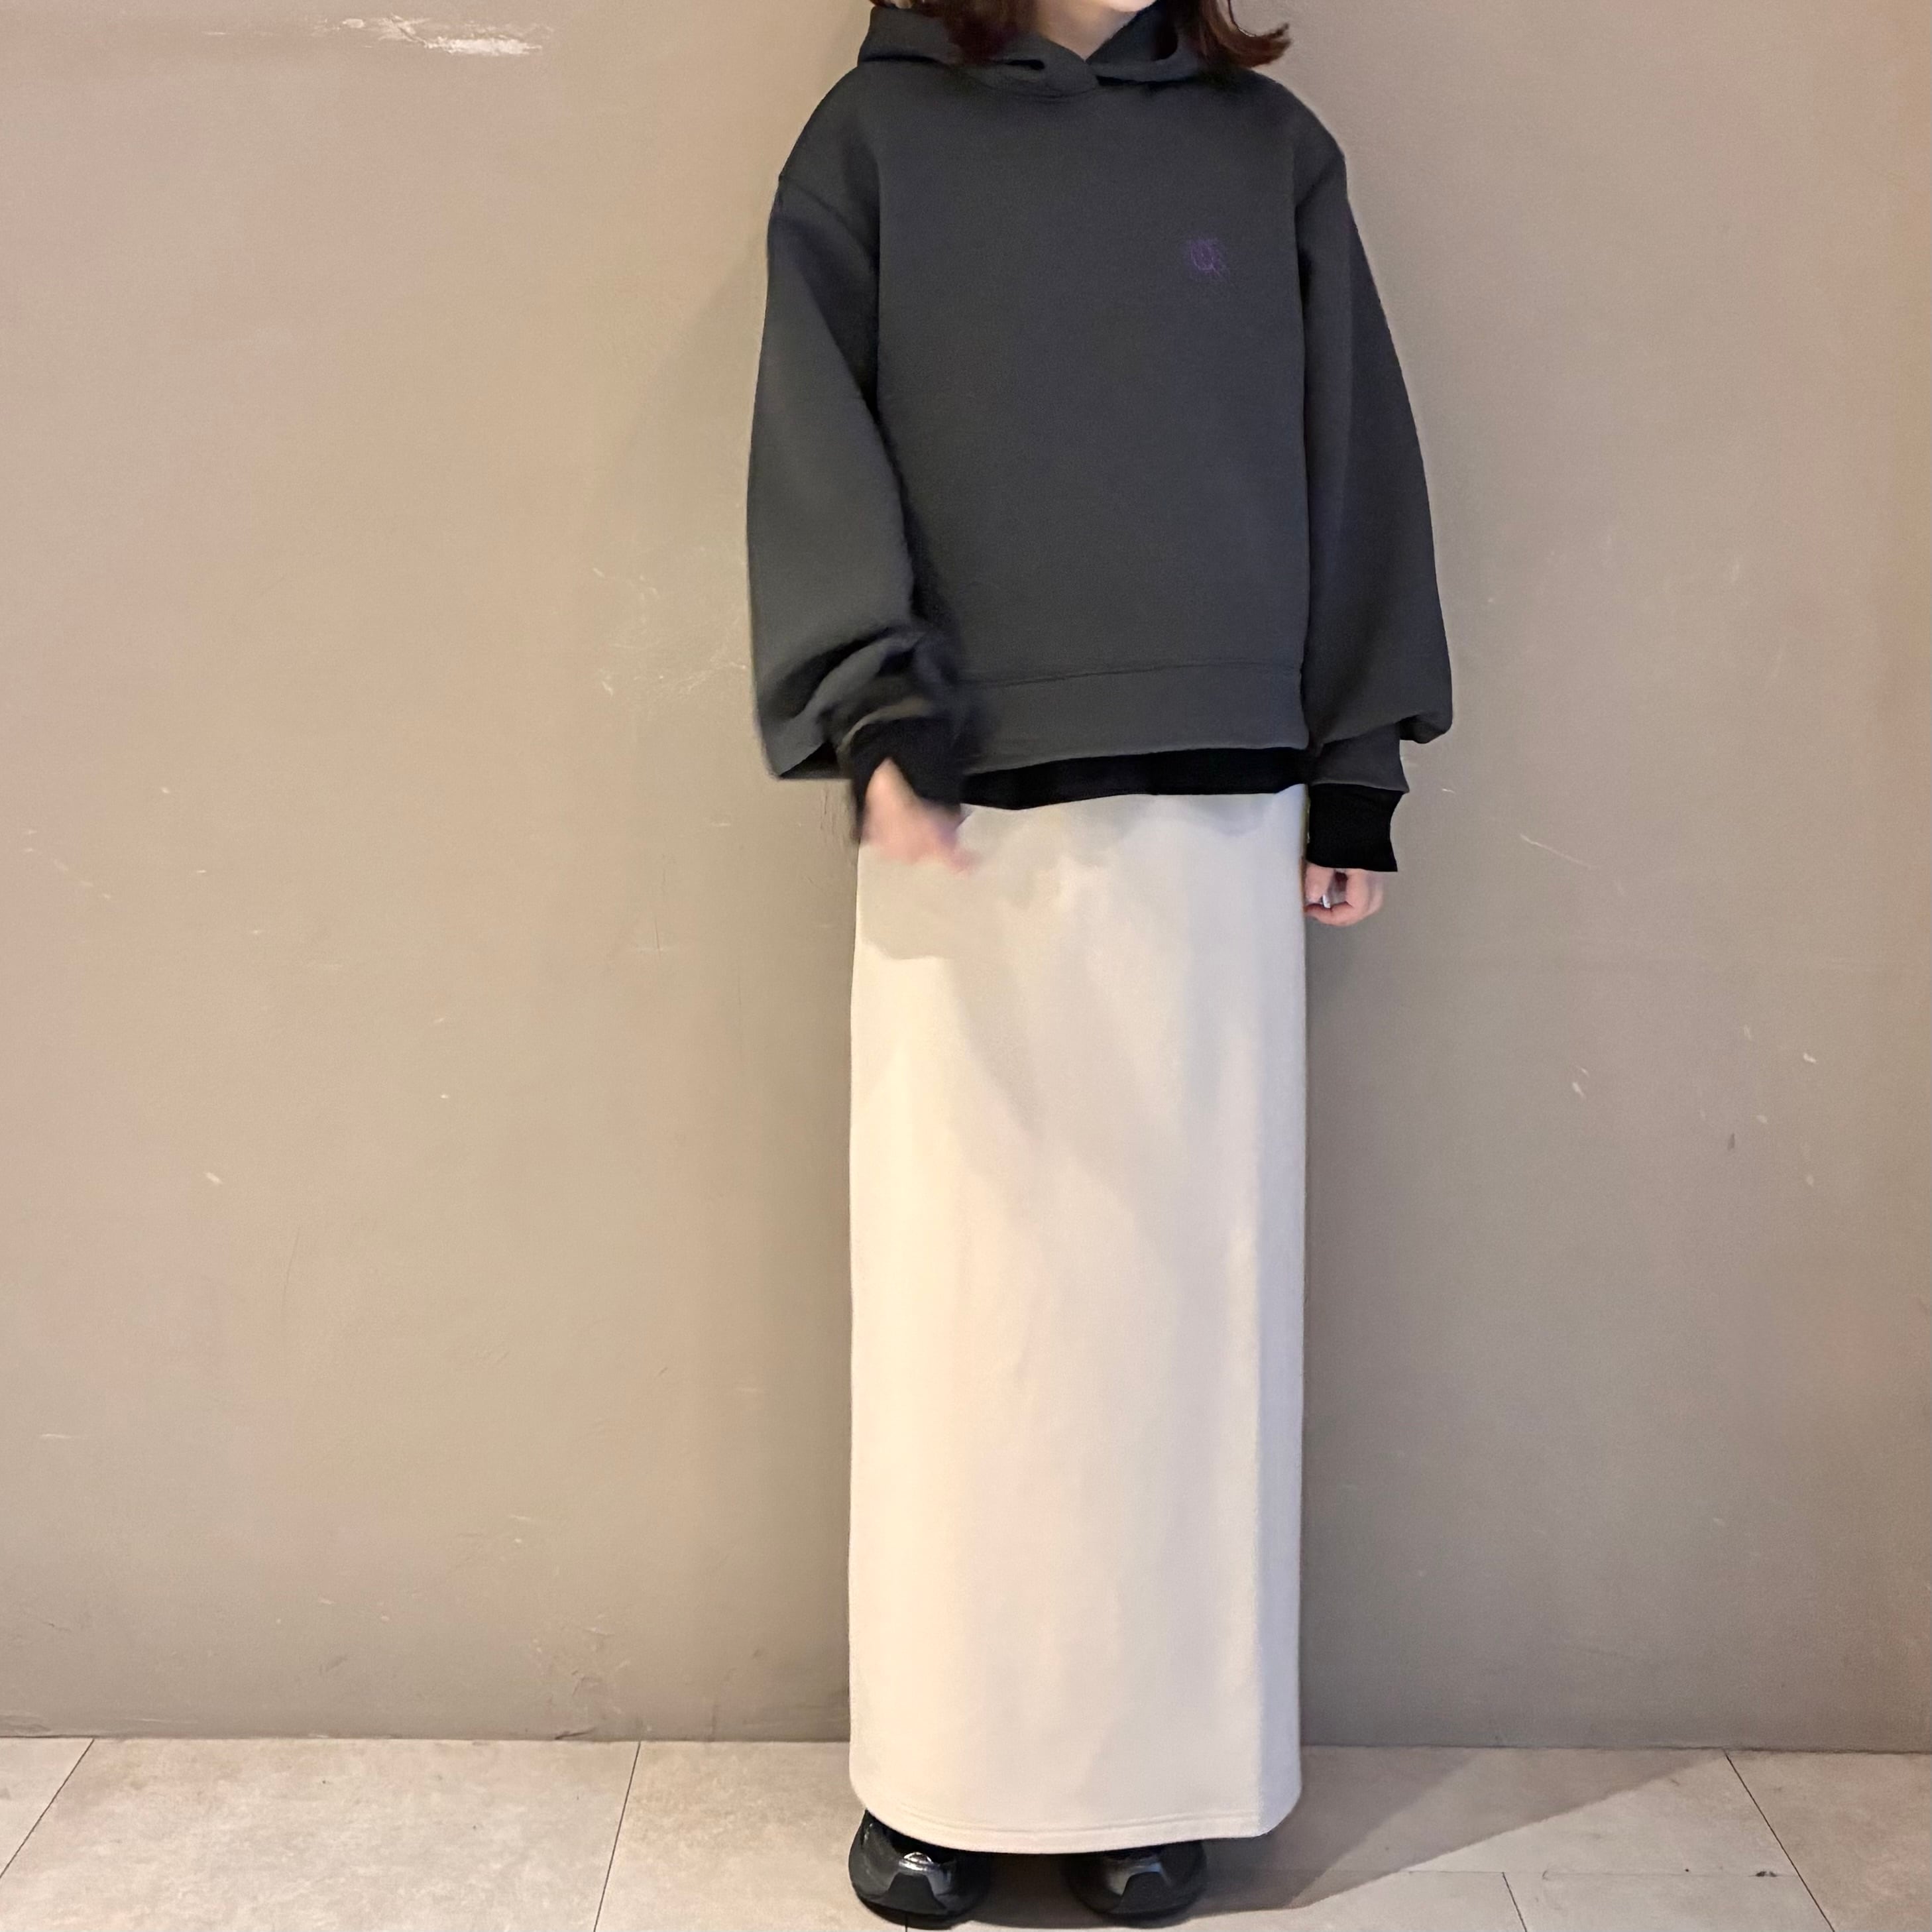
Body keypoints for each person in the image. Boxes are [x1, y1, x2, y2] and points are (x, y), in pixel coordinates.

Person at [744, 0, 1453, 1920]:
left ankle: (1160, 1776)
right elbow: (812, 436)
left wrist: (1357, 768)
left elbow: (1352, 453)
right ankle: (942, 1777)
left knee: (1184, 1316)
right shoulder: (874, 142)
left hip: (1217, 816)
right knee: (963, 1316)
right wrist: (873, 707)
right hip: (959, 806)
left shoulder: (1263, 150)